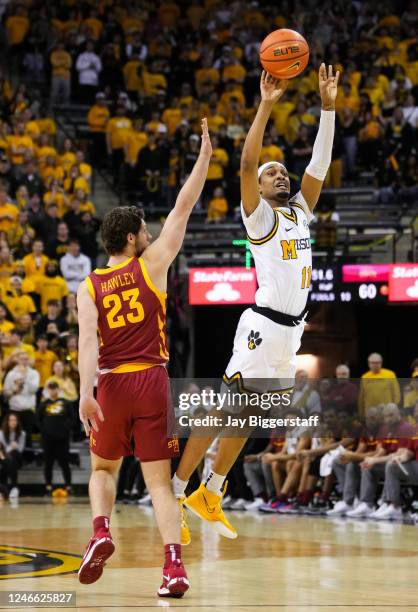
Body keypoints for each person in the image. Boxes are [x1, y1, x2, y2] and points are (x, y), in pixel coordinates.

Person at [173, 64, 339, 540]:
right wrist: (265, 105)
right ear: (260, 189)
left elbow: (320, 165)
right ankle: (176, 486)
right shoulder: (260, 218)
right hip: (263, 325)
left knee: (256, 416)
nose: (280, 176)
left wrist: (327, 109)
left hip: (292, 332)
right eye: (272, 174)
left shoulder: (300, 213)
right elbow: (246, 165)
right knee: (227, 409)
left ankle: (211, 489)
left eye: (283, 171)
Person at [76, 119, 212, 597]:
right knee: (159, 485)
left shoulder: (88, 285)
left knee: (101, 470)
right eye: (145, 231)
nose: (151, 234)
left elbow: (87, 346)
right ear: (132, 240)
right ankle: (174, 569)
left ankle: (100, 531)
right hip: (152, 381)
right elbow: (183, 206)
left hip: (110, 385)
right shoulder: (151, 267)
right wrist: (203, 159)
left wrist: (84, 396)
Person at [37, 381, 73, 495]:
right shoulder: (43, 404)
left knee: (65, 463)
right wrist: (45, 431)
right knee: (48, 463)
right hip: (48, 439)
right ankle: (48, 487)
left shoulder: (66, 403)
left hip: (63, 439)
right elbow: (38, 420)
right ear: (48, 390)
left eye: (54, 388)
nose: (53, 391)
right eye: (50, 388)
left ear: (58, 389)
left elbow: (73, 418)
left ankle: (68, 486)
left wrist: (66, 429)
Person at [0, 413, 26, 498]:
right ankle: (14, 487)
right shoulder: (1, 433)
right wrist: (11, 446)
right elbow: (1, 449)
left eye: (15, 420)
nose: (13, 422)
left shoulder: (22, 433)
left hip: (17, 458)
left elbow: (20, 449)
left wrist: (12, 448)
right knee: (9, 461)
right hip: (4, 458)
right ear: (7, 421)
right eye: (11, 420)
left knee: (13, 454)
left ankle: (4, 488)